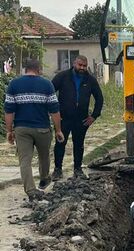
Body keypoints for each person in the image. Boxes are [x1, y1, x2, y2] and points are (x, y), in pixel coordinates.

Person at [4, 58, 65, 201]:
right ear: (39, 69)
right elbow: (54, 110)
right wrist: (58, 130)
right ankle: (44, 179)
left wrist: (9, 131)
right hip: (42, 129)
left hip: (22, 129)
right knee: (44, 157)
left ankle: (31, 191)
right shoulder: (46, 84)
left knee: (25, 160)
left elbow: (9, 110)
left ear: (26, 69)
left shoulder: (14, 84)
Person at [51, 55, 104, 180]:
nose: (82, 68)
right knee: (60, 143)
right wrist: (53, 111)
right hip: (63, 118)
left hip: (81, 119)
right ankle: (57, 169)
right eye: (80, 65)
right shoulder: (63, 77)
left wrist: (94, 116)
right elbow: (50, 92)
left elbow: (99, 98)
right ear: (74, 63)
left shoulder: (90, 80)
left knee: (79, 144)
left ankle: (78, 169)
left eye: (84, 66)